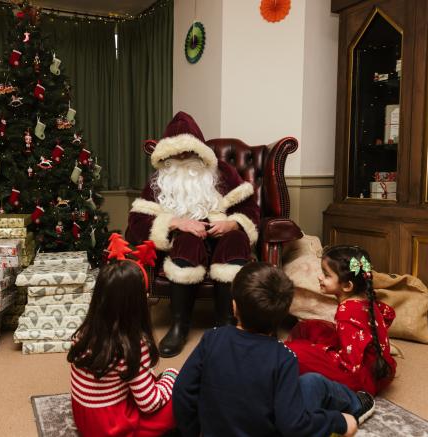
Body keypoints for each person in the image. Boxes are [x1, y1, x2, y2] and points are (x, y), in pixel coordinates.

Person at [172, 261, 374, 437]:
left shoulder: (211, 338)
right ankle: (355, 405)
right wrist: (337, 421)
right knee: (314, 382)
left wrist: (193, 432)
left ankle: (354, 403)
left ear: (234, 307)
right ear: (284, 312)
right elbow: (293, 425)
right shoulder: (283, 357)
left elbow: (182, 391)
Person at [126, 111, 260, 357]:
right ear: (165, 154)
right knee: (186, 243)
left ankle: (226, 325)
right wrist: (176, 223)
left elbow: (250, 210)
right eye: (175, 153)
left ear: (199, 150)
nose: (182, 157)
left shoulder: (224, 172)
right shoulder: (159, 180)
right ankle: (179, 326)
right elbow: (135, 224)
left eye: (188, 151)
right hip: (185, 240)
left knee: (236, 240)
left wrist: (234, 224)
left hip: (221, 232)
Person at [68, 259, 179, 437]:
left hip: (86, 421)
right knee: (181, 396)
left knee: (146, 378)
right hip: (112, 428)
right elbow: (149, 405)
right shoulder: (132, 344)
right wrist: (171, 377)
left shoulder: (84, 333)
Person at [286, 245, 397, 395]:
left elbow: (351, 364)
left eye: (326, 275)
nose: (320, 277)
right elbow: (384, 317)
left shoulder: (347, 311)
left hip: (361, 375)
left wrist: (319, 351)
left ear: (347, 285)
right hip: (366, 359)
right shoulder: (366, 300)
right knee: (310, 327)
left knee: (295, 352)